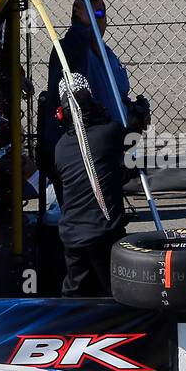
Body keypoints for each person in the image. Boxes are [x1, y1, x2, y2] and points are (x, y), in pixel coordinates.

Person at [39, 0, 143, 186]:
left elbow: (119, 95)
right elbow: (74, 47)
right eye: (91, 13)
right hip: (80, 149)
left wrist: (133, 113)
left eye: (100, 13)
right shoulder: (67, 51)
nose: (97, 18)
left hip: (109, 145)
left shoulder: (109, 55)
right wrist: (81, 27)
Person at [53, 72, 130, 298]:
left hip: (72, 234)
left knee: (74, 290)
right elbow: (128, 141)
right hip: (103, 233)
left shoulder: (61, 147)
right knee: (115, 291)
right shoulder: (110, 133)